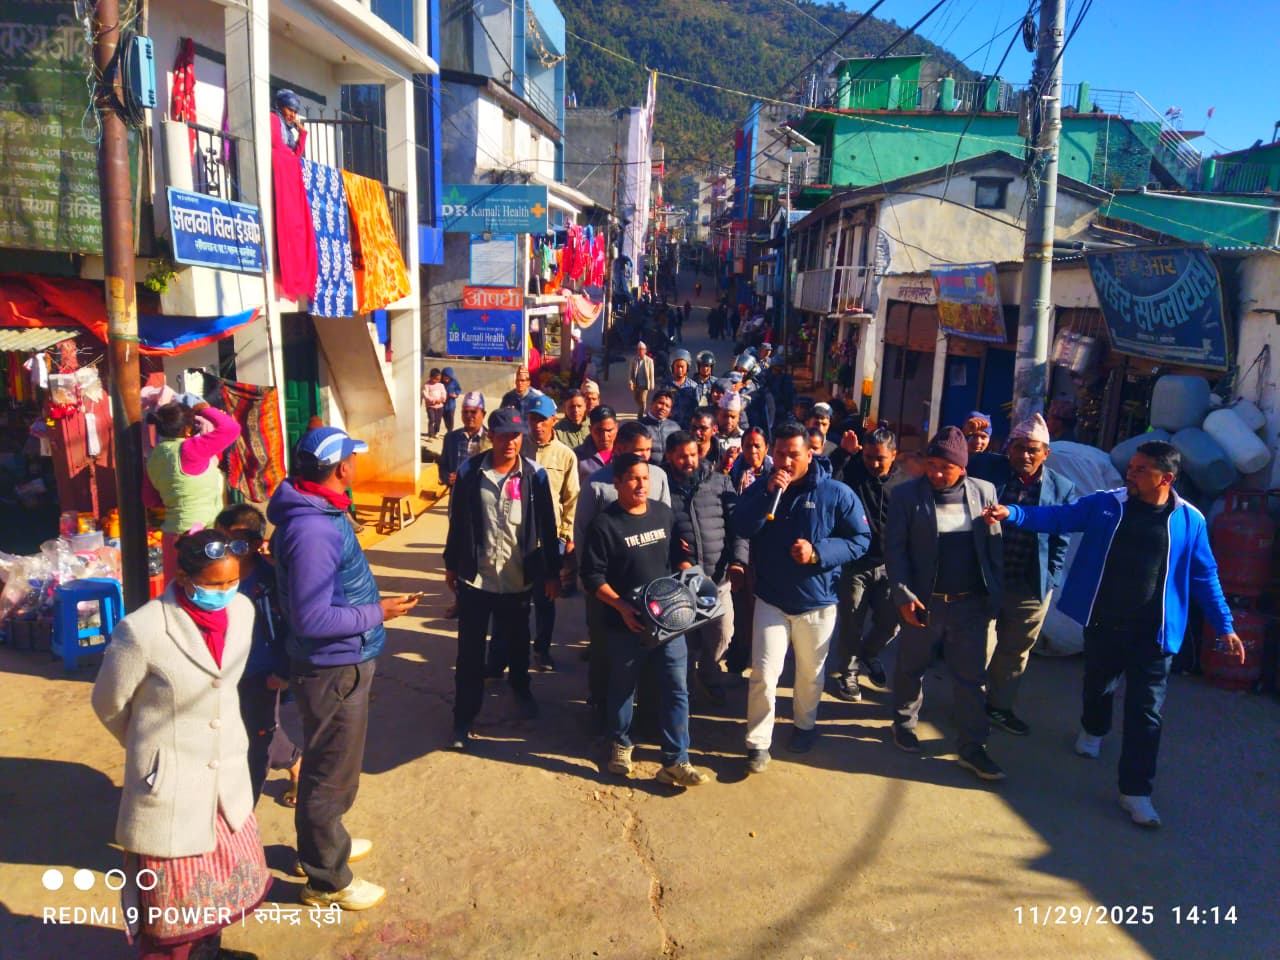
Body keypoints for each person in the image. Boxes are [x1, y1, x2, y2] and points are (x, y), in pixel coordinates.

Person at [983, 440, 1242, 827]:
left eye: (1140, 470)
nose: (1130, 474)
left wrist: (1225, 625)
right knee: (1098, 686)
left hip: (1154, 634)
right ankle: (1094, 728)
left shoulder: (1190, 521)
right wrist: (1015, 513)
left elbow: (1205, 576)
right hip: (1105, 623)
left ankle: (1136, 792)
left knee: (1146, 712)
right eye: (1131, 467)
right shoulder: (1107, 504)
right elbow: (1060, 517)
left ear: (1166, 479)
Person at [92, 530, 271, 959]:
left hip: (226, 777)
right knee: (174, 904)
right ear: (185, 578)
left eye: (232, 582)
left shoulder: (243, 611)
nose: (225, 592)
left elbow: (225, 685)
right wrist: (150, 752)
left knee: (220, 886)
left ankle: (209, 951)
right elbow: (108, 703)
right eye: (214, 584)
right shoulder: (143, 630)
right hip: (170, 788)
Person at [268, 426, 418, 910]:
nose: (356, 463)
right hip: (333, 667)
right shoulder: (313, 530)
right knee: (331, 773)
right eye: (352, 457)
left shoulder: (318, 511)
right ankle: (326, 879)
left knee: (331, 765)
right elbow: (312, 618)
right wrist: (380, 612)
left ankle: (322, 846)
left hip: (338, 662)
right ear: (340, 468)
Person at [734, 422, 871, 773]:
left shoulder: (836, 493)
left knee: (810, 674)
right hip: (771, 599)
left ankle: (804, 726)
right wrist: (764, 494)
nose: (785, 462)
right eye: (779, 454)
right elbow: (741, 525)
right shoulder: (763, 487)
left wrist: (818, 553)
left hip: (818, 602)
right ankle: (758, 742)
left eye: (793, 454)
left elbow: (860, 540)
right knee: (764, 673)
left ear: (810, 454)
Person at [581, 453, 709, 787]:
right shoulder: (605, 525)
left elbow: (680, 556)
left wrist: (689, 581)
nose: (641, 485)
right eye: (633, 479)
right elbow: (592, 577)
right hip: (625, 624)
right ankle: (620, 744)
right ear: (617, 483)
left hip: (668, 622)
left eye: (645, 478)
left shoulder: (664, 514)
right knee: (623, 688)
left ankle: (676, 760)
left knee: (676, 687)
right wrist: (621, 606)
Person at [885, 426, 1005, 782]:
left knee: (971, 678)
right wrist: (903, 596)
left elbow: (993, 548)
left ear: (962, 468)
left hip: (970, 606)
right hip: (924, 603)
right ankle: (904, 723)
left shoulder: (984, 492)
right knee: (911, 666)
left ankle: (973, 747)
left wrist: (994, 595)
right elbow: (896, 551)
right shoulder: (907, 496)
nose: (936, 474)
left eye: (945, 468)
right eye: (932, 465)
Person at [443, 408, 562, 749]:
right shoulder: (470, 472)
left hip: (517, 579)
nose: (510, 442)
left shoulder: (535, 475)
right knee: (469, 654)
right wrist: (452, 564)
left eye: (516, 436)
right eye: (503, 436)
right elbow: (458, 522)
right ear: (491, 436)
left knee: (517, 642)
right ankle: (463, 719)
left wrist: (552, 573)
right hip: (477, 580)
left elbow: (548, 527)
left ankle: (521, 689)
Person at [968, 413, 1075, 735]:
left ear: (1046, 453)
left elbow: (1061, 538)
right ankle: (969, 703)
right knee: (975, 645)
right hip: (983, 579)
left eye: (1033, 450)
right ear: (1008, 448)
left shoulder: (1061, 489)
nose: (1024, 455)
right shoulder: (987, 469)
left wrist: (1050, 579)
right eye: (1018, 448)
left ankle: (998, 707)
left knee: (1015, 651)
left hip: (1028, 584)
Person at [575, 420, 672, 725]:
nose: (644, 458)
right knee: (605, 649)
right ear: (619, 450)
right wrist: (590, 582)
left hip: (648, 585)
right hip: (608, 587)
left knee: (649, 649)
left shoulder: (658, 476)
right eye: (637, 451)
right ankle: (600, 705)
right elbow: (584, 534)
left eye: (648, 451)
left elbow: (664, 524)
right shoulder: (597, 484)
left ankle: (645, 713)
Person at [216, 504, 301, 807]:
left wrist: (283, 671)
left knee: (257, 736)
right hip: (223, 672)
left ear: (255, 544)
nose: (227, 550)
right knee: (238, 728)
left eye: (236, 543)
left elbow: (289, 628)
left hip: (262, 673)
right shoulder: (211, 577)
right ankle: (295, 763)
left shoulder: (270, 581)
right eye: (221, 541)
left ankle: (242, 808)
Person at [663, 431, 748, 704]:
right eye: (682, 456)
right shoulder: (661, 487)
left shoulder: (719, 482)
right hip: (682, 579)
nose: (689, 461)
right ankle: (684, 691)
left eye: (693, 454)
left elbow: (738, 526)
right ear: (669, 457)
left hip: (718, 577)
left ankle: (709, 673)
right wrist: (673, 550)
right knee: (684, 642)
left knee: (723, 633)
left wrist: (738, 561)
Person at [830, 426, 910, 702]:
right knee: (851, 621)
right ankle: (848, 672)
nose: (874, 464)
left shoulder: (904, 485)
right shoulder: (853, 473)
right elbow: (830, 481)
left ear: (894, 455)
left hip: (891, 566)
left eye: (880, 458)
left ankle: (869, 652)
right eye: (869, 457)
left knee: (891, 621)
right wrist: (844, 454)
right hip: (855, 564)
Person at [144, 396, 242, 582]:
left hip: (172, 536)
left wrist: (177, 497)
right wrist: (204, 409)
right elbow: (231, 429)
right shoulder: (191, 449)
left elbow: (150, 499)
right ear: (188, 429)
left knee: (176, 591)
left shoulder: (154, 456)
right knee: (203, 589)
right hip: (199, 538)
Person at [526, 395, 579, 672]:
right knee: (514, 600)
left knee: (546, 598)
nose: (537, 425)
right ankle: (508, 651)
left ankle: (542, 650)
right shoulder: (519, 449)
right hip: (519, 539)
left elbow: (572, 499)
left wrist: (566, 536)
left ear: (553, 421)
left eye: (542, 420)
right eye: (533, 419)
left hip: (549, 540)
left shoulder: (565, 455)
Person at [440, 392, 490, 490]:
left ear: (483, 414)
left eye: (473, 412)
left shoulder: (492, 440)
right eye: (465, 412)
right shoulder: (451, 438)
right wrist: (447, 477)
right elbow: (443, 466)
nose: (469, 416)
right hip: (457, 494)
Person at [575, 405, 619, 485]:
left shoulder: (626, 452)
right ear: (590, 429)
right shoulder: (577, 457)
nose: (604, 436)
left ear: (616, 428)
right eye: (599, 431)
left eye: (609, 430)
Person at [710, 392, 745, 475]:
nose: (729, 421)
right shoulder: (710, 436)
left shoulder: (744, 438)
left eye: (733, 417)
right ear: (718, 414)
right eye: (725, 416)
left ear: (738, 417)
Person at [663, 349, 699, 427]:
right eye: (677, 366)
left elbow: (697, 407)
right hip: (670, 425)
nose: (680, 369)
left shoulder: (693, 386)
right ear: (672, 367)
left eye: (682, 367)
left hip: (688, 426)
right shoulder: (666, 385)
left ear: (687, 367)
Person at [628, 342, 655, 417]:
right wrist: (630, 382)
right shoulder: (633, 360)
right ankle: (641, 408)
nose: (640, 351)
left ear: (645, 350)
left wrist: (652, 384)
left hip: (645, 384)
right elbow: (630, 372)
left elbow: (651, 374)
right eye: (639, 349)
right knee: (636, 399)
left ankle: (640, 415)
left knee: (643, 400)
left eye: (642, 349)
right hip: (636, 384)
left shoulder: (649, 361)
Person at [422, 368, 447, 439]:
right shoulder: (427, 385)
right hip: (430, 407)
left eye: (438, 379)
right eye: (435, 379)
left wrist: (442, 399)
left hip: (440, 406)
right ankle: (430, 434)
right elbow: (426, 395)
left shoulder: (441, 385)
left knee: (438, 420)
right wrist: (434, 401)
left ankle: (436, 432)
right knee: (432, 419)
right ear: (431, 377)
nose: (437, 381)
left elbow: (444, 393)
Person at [441, 367, 462, 432]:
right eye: (445, 377)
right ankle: (448, 428)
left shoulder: (454, 381)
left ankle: (450, 430)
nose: (446, 379)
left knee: (450, 417)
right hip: (442, 404)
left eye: (448, 378)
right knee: (445, 417)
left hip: (451, 404)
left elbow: (458, 389)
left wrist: (456, 394)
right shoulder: (440, 382)